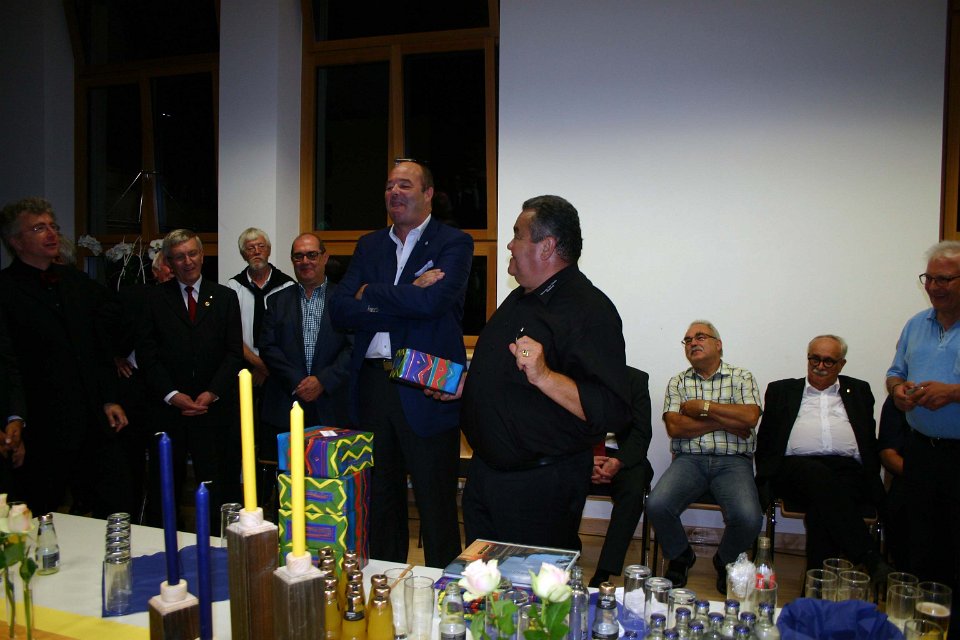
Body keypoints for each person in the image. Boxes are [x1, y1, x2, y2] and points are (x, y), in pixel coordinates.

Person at [455, 194, 631, 552]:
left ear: (547, 246)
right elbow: (504, 376)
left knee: (531, 587)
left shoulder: (589, 310)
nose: (509, 244)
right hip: (487, 477)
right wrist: (466, 386)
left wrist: (545, 375)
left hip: (540, 487)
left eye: (517, 234)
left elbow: (611, 408)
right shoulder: (520, 299)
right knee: (482, 583)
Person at [329, 160, 473, 568]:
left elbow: (433, 303)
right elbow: (340, 311)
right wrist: (407, 292)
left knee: (435, 502)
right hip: (372, 387)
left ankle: (445, 589)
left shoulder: (454, 242)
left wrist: (369, 294)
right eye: (390, 185)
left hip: (425, 384)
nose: (394, 192)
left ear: (428, 194)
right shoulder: (369, 245)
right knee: (380, 502)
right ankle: (384, 583)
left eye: (405, 185)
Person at [0, 197, 130, 516]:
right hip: (41, 425)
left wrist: (108, 399)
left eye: (52, 226)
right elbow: (6, 361)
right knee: (38, 512)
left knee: (111, 506)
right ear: (16, 241)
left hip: (91, 422)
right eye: (38, 228)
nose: (51, 233)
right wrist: (14, 417)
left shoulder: (76, 282)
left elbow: (99, 345)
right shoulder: (5, 289)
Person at [754, 335, 890, 580]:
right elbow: (766, 440)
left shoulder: (859, 390)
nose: (820, 366)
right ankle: (868, 554)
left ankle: (816, 584)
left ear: (841, 364)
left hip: (847, 470)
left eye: (828, 361)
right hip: (795, 469)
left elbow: (868, 438)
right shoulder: (782, 390)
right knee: (818, 475)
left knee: (823, 505)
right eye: (814, 359)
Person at [645, 321, 763, 594]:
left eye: (700, 337)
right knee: (657, 505)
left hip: (734, 462)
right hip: (690, 460)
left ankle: (726, 560)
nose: (692, 343)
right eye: (687, 340)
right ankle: (680, 555)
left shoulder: (741, 377)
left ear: (718, 345)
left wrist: (703, 407)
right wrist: (726, 421)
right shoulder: (678, 381)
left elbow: (749, 417)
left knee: (749, 518)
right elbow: (675, 427)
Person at [137, 229, 243, 532]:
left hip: (213, 410)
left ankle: (217, 544)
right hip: (169, 412)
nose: (188, 261)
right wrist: (172, 394)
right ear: (169, 262)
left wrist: (212, 392)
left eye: (192, 254)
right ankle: (163, 545)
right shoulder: (154, 299)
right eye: (180, 257)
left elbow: (234, 353)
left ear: (202, 255)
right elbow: (147, 354)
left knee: (216, 485)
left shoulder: (224, 297)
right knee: (165, 488)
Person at [886, 239, 960, 635]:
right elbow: (895, 372)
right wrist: (898, 391)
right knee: (919, 544)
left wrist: (953, 393)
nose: (934, 286)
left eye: (944, 279)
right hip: (921, 452)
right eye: (928, 278)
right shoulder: (916, 324)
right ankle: (922, 627)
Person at [260, 233, 352, 452]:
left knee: (329, 472)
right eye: (298, 256)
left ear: (324, 257)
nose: (305, 261)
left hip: (333, 404)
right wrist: (298, 381)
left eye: (312, 255)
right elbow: (268, 346)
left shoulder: (345, 300)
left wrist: (322, 381)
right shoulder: (276, 301)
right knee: (289, 471)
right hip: (286, 404)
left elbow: (353, 347)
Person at [589, 366, 654, 587]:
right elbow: (561, 429)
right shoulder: (571, 377)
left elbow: (641, 432)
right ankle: (566, 550)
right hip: (584, 454)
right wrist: (585, 460)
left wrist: (618, 461)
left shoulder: (635, 379)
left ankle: (605, 570)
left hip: (623, 455)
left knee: (634, 487)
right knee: (557, 476)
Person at [226, 228, 294, 388]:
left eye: (261, 246)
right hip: (243, 367)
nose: (257, 251)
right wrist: (258, 364)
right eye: (250, 248)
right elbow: (230, 333)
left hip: (280, 368)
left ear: (269, 250)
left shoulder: (287, 286)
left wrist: (267, 367)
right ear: (243, 255)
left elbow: (290, 334)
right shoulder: (233, 288)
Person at [877, 394, 910, 570]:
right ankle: (905, 574)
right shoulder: (901, 397)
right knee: (897, 506)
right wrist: (922, 476)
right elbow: (888, 454)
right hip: (911, 475)